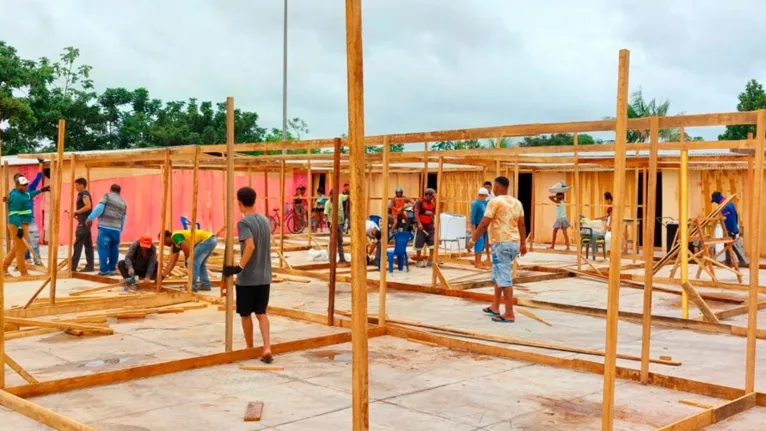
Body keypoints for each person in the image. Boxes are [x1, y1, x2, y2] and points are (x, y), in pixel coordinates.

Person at [222, 187, 273, 363]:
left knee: (245, 314)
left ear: (240, 203)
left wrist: (239, 267)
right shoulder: (265, 221)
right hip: (265, 276)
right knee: (261, 312)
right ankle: (267, 347)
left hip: (248, 278)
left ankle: (250, 347)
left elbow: (250, 246)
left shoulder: (243, 223)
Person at [469, 176, 526, 323]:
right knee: (498, 275)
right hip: (514, 243)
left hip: (501, 243)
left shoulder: (494, 202)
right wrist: (523, 244)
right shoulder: (517, 202)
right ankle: (495, 306)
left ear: (498, 187)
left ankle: (509, 313)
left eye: (494, 186)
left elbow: (483, 223)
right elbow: (522, 225)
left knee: (505, 279)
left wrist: (473, 240)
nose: (493, 189)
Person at [4, 176, 50, 276]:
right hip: (17, 224)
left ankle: (3, 268)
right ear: (18, 186)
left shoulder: (22, 193)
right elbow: (14, 214)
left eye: (26, 184)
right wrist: (19, 227)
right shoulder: (16, 196)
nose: (26, 186)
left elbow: (29, 195)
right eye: (24, 185)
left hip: (22, 223)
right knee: (21, 249)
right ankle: (23, 272)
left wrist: (41, 190)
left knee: (16, 248)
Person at [86, 184, 127, 276]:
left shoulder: (107, 196)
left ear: (111, 190)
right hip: (116, 230)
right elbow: (124, 218)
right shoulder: (123, 203)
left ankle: (104, 270)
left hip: (105, 228)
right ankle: (112, 269)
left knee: (103, 248)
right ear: (119, 192)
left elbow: (100, 208)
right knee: (114, 249)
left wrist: (90, 218)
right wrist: (120, 229)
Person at [711, 191, 748, 267]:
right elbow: (736, 215)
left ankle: (741, 261)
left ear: (717, 198)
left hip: (730, 229)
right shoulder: (730, 203)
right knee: (728, 245)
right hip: (733, 227)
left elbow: (728, 220)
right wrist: (736, 227)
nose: (715, 203)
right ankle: (729, 262)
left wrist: (729, 231)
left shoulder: (724, 206)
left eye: (715, 201)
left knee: (731, 245)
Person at [16, 171, 44, 265]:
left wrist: (41, 164)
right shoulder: (15, 194)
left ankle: (37, 260)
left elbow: (38, 178)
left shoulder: (28, 190)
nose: (25, 186)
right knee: (23, 240)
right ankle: (24, 260)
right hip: (21, 220)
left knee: (34, 239)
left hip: (30, 219)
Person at [71, 177, 94, 272]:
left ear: (81, 185)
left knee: (78, 244)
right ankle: (90, 266)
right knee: (88, 245)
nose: (75, 187)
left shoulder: (83, 193)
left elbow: (88, 206)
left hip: (83, 224)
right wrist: (77, 215)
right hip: (85, 223)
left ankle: (73, 267)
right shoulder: (83, 194)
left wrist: (76, 212)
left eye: (76, 185)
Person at [414, 188, 437, 268]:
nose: (432, 198)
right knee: (419, 244)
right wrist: (419, 223)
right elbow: (416, 213)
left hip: (430, 226)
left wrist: (433, 222)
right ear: (427, 195)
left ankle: (430, 260)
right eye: (432, 196)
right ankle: (418, 260)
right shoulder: (419, 202)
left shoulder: (432, 203)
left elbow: (435, 212)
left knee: (432, 243)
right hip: (422, 226)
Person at [324, 189, 348, 263]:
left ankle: (342, 259)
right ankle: (331, 259)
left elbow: (349, 197)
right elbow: (325, 213)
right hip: (332, 224)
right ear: (330, 195)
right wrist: (328, 222)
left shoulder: (340, 197)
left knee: (340, 241)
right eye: (332, 195)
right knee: (332, 241)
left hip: (340, 223)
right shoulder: (328, 203)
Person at [470, 187, 490, 268]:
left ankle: (479, 261)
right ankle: (477, 262)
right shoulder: (475, 203)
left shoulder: (485, 202)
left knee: (482, 245)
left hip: (484, 226)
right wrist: (474, 231)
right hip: (478, 226)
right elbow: (473, 218)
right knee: (479, 243)